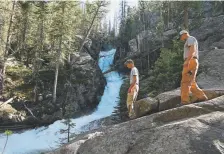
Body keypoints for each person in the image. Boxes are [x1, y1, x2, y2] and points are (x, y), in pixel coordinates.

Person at [179, 30, 208, 104]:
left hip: (190, 61)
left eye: (180, 36)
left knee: (185, 82)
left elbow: (193, 50)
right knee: (192, 82)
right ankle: (202, 97)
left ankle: (184, 101)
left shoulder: (190, 39)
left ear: (184, 34)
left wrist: (187, 61)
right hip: (192, 61)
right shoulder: (190, 40)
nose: (180, 38)